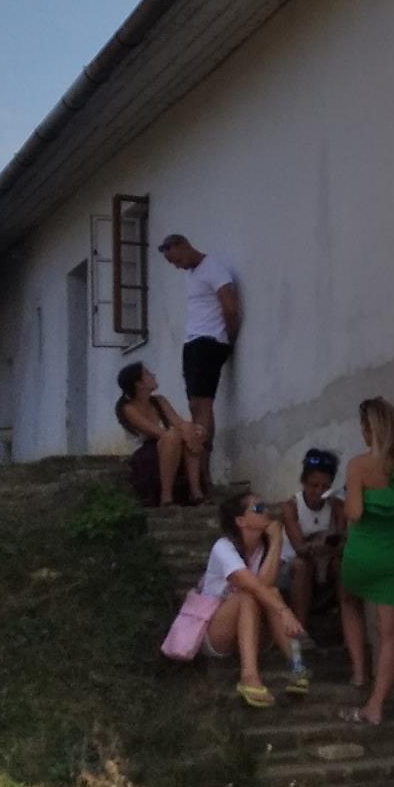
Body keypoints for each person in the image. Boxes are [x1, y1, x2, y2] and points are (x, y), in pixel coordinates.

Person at [339, 397, 394, 725]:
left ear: (368, 429)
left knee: (348, 601)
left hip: (362, 552)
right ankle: (375, 705)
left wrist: (348, 497)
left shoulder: (358, 466)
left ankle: (360, 671)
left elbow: (355, 512)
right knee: (390, 633)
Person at [200, 491, 310, 706]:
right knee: (247, 595)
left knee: (272, 593)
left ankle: (298, 666)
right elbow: (253, 586)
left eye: (266, 506)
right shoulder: (223, 548)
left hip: (254, 630)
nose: (267, 512)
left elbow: (266, 585)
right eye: (258, 509)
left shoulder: (265, 547)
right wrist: (285, 611)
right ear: (241, 521)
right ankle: (249, 677)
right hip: (218, 631)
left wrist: (277, 539)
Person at [156, 233, 238, 483]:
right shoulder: (191, 275)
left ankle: (203, 469)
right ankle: (199, 466)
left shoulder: (213, 268)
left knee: (202, 405)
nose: (177, 265)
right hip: (193, 343)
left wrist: (228, 339)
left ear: (184, 246)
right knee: (194, 404)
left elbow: (230, 307)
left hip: (209, 341)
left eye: (176, 259)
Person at [114, 362, 206, 507]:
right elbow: (157, 433)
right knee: (173, 436)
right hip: (147, 453)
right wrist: (185, 433)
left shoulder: (159, 400)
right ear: (139, 384)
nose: (153, 375)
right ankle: (166, 496)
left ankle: (196, 492)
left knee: (191, 430)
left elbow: (178, 423)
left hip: (171, 444)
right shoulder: (128, 408)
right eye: (148, 374)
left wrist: (193, 430)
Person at [279, 446, 347, 634]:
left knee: (342, 565)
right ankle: (300, 629)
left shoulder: (336, 506)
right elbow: (299, 547)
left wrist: (329, 544)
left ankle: (346, 624)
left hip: (324, 565)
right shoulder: (291, 506)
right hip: (291, 569)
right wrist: (318, 543)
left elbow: (342, 540)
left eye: (325, 486)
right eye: (313, 485)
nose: (318, 491)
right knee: (302, 565)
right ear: (304, 482)